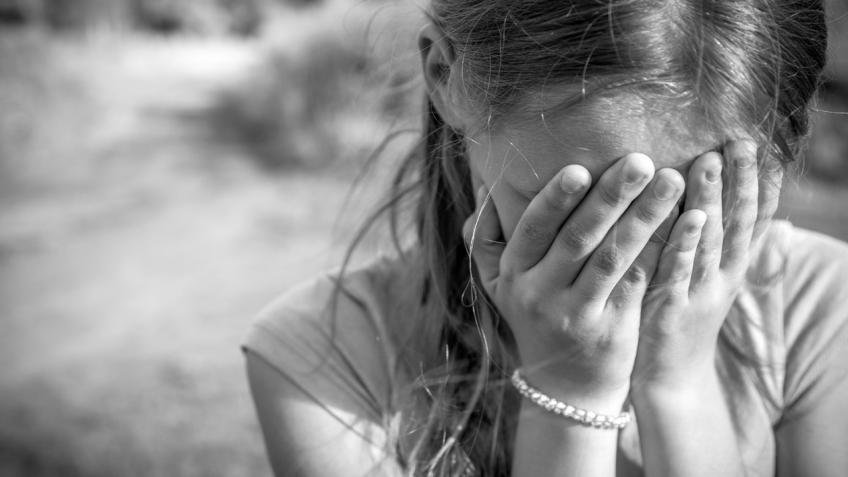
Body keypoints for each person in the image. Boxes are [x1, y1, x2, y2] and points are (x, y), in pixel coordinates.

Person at [242, 1, 848, 475]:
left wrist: (677, 384)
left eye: (687, 213)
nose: (624, 265)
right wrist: (571, 390)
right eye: (575, 212)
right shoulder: (319, 358)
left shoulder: (819, 306)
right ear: (445, 77)